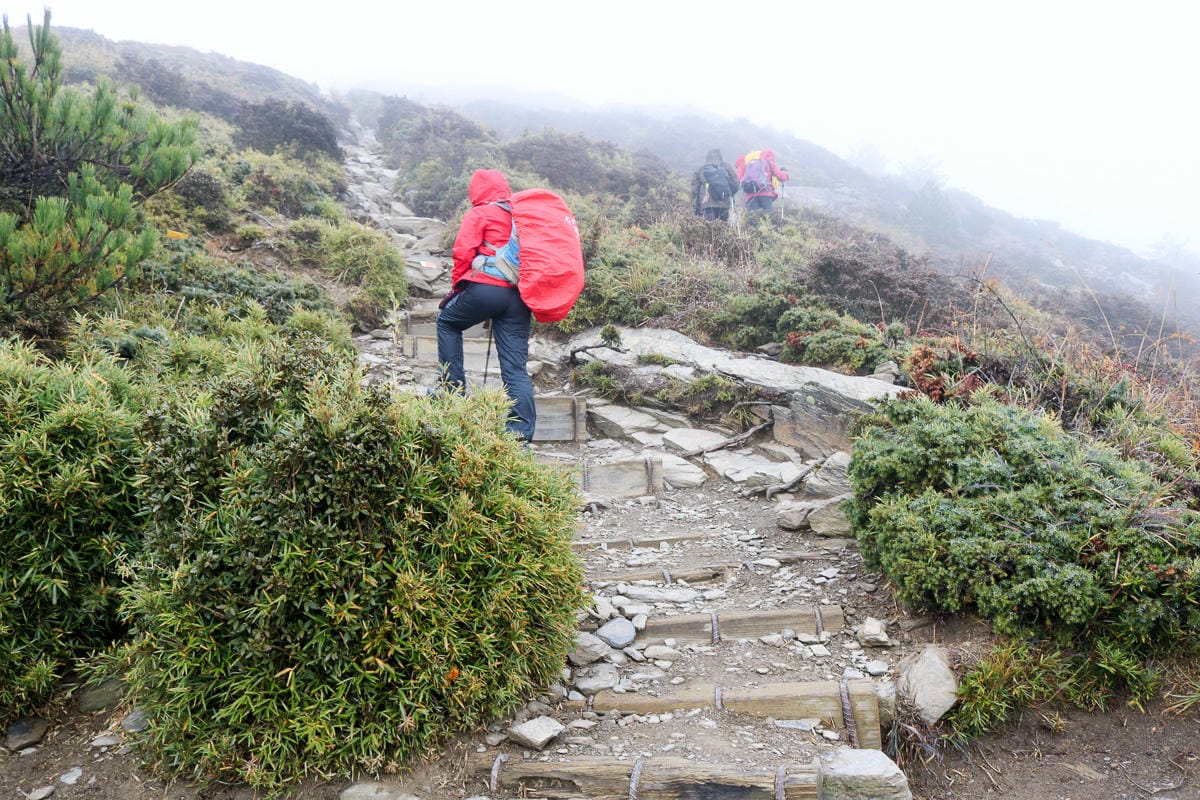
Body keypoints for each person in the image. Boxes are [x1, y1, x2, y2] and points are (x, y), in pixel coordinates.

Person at [436, 168, 536, 442]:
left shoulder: (480, 213)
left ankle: (452, 393)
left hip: (486, 290)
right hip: (518, 297)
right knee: (515, 369)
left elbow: (462, 252)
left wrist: (458, 287)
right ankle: (520, 437)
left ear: (477, 191)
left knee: (447, 322)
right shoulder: (520, 215)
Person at [736, 149, 789, 216]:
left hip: (750, 195)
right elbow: (781, 176)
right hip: (766, 194)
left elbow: (739, 178)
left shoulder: (748, 164)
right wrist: (785, 173)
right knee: (768, 218)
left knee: (752, 218)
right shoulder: (768, 161)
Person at [691, 149, 738, 222]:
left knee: (709, 226)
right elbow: (735, 183)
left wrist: (696, 205)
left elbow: (695, 189)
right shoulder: (726, 166)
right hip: (724, 203)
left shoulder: (701, 169)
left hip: (707, 203)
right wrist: (728, 193)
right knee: (723, 225)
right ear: (720, 156)